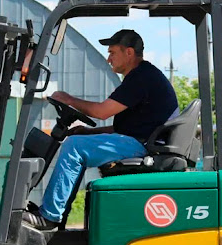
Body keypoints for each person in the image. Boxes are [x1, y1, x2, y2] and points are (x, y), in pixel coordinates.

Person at [22, 29, 179, 231]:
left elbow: (101, 112)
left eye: (112, 52)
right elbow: (123, 127)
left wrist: (69, 100)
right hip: (141, 142)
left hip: (143, 146)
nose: (108, 59)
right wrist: (87, 131)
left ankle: (50, 216)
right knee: (77, 142)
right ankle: (56, 216)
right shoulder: (142, 77)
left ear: (129, 52)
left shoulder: (141, 78)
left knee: (74, 147)